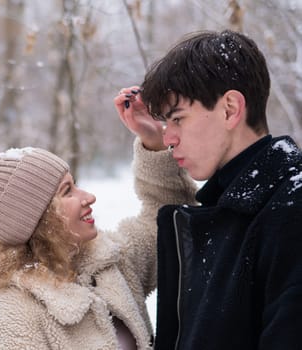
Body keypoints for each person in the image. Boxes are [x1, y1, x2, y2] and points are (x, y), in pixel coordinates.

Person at [114, 29, 302, 349]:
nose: (169, 137)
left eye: (178, 119)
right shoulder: (229, 211)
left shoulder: (291, 211)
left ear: (230, 108)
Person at [0, 132, 196, 348]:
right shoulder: (12, 319)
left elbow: (165, 223)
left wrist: (153, 141)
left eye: (76, 185)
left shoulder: (108, 264)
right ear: (39, 219)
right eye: (68, 191)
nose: (88, 197)